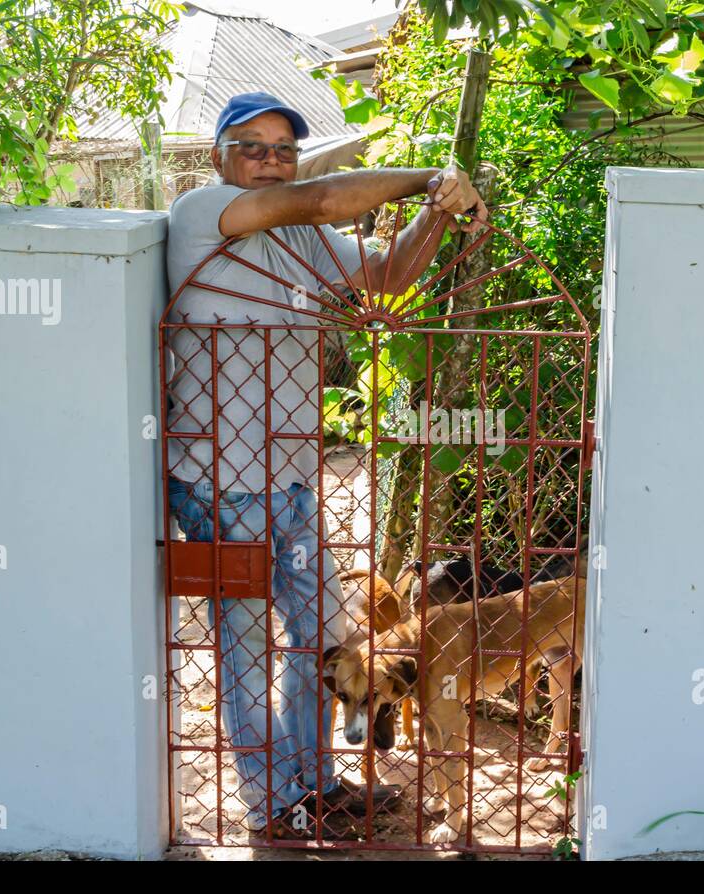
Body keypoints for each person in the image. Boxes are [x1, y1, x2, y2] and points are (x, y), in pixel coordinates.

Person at [164, 91, 487, 839]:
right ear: (218, 156)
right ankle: (272, 806)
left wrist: (438, 210)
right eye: (252, 146)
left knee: (324, 639)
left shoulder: (302, 238)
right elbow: (322, 196)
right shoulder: (204, 210)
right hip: (219, 483)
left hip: (290, 479)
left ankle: (316, 782)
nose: (270, 160)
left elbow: (389, 274)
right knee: (246, 651)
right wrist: (428, 174)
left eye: (284, 149)